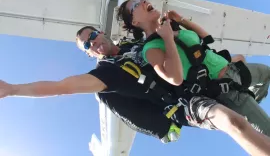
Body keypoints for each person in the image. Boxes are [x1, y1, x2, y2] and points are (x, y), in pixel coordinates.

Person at [1, 48, 270, 155]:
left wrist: (228, 60)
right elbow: (63, 87)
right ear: (90, 54)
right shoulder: (106, 73)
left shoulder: (136, 44)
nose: (94, 42)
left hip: (202, 86)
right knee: (234, 124)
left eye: (93, 35)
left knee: (250, 115)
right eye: (87, 45)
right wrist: (13, 89)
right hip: (185, 105)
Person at [117, 0, 270, 136]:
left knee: (267, 74)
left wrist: (181, 20)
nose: (144, 1)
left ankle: (254, 101)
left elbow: (207, 39)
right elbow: (175, 78)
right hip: (227, 89)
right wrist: (168, 39)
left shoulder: (171, 27)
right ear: (135, 22)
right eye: (136, 5)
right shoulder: (150, 48)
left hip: (233, 69)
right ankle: (249, 109)